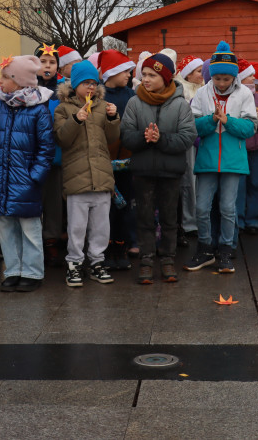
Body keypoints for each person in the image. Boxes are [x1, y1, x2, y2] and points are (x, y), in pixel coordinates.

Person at [0, 55, 55, 293]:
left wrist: (35, 176)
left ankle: (32, 272)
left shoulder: (38, 111)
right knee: (5, 227)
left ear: (19, 81)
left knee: (30, 229)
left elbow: (46, 149)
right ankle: (12, 270)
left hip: (25, 181)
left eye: (5, 77)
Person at [121, 53, 196, 284]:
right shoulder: (134, 102)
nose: (145, 79)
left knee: (169, 218)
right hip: (143, 171)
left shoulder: (180, 104)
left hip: (170, 172)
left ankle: (167, 259)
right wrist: (144, 138)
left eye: (152, 75)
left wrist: (161, 139)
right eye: (143, 74)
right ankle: (146, 261)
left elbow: (188, 137)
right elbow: (125, 135)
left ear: (164, 77)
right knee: (144, 217)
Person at [186, 41, 257, 273]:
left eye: (227, 79)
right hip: (206, 159)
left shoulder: (245, 93)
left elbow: (250, 128)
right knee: (202, 208)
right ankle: (205, 248)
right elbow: (193, 126)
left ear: (234, 77)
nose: (222, 83)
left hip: (233, 161)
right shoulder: (202, 93)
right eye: (217, 78)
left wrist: (228, 121)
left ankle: (226, 249)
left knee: (228, 208)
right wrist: (212, 120)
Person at [54, 60, 120, 287]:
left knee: (101, 226)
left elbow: (111, 139)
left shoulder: (103, 106)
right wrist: (76, 120)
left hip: (102, 176)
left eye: (94, 83)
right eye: (85, 83)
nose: (90, 87)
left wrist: (112, 119)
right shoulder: (64, 108)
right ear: (76, 85)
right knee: (76, 226)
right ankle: (74, 263)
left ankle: (97, 262)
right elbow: (62, 138)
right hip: (76, 177)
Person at [98, 49, 136, 270]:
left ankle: (121, 246)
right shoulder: (100, 96)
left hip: (127, 162)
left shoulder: (130, 95)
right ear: (112, 72)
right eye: (125, 71)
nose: (129, 75)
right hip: (104, 161)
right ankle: (106, 249)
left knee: (124, 206)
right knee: (106, 208)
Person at [34, 44, 66, 267]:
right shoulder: (27, 87)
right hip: (33, 155)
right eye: (43, 61)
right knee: (36, 199)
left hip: (56, 154)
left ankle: (51, 240)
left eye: (51, 62)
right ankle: (34, 242)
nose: (47, 66)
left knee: (54, 201)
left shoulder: (64, 91)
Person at [237, 60, 258, 235]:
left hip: (257, 147)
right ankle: (239, 220)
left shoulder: (257, 97)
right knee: (240, 186)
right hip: (241, 147)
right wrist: (251, 119)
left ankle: (255, 220)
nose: (253, 77)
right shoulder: (235, 96)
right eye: (250, 75)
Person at [175, 55, 204, 242]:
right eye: (199, 71)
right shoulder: (182, 91)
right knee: (189, 182)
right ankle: (189, 222)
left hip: (202, 140)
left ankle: (199, 219)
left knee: (200, 183)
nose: (202, 75)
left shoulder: (201, 89)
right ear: (188, 74)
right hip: (189, 142)